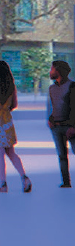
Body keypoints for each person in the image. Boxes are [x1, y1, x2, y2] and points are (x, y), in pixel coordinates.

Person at [0, 58, 31, 193]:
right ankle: (24, 177)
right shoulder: (12, 88)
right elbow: (14, 105)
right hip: (7, 122)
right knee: (11, 152)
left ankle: (3, 184)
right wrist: (5, 110)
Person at [48, 59, 73, 187]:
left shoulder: (72, 86)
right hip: (56, 127)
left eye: (52, 69)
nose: (50, 71)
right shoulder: (51, 88)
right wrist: (50, 119)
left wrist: (73, 126)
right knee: (62, 155)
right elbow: (53, 107)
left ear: (58, 71)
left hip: (70, 127)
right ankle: (66, 182)